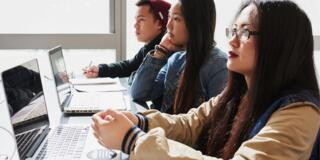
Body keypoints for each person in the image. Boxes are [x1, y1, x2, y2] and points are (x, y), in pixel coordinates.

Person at [92, 0, 320, 159]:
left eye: (245, 32)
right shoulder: (239, 92)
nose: (232, 41)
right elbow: (191, 124)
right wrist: (138, 121)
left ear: (279, 44)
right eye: (233, 31)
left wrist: (133, 140)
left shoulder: (300, 113)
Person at [130, 0, 227, 113]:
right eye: (169, 17)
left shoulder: (219, 65)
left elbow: (217, 120)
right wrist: (160, 51)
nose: (168, 26)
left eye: (176, 19)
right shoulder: (176, 60)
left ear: (195, 23)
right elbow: (138, 94)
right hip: (167, 128)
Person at [84, 0, 171, 81]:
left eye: (141, 20)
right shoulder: (150, 46)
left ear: (159, 23)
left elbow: (139, 81)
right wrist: (100, 70)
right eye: (136, 20)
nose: (135, 25)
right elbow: (129, 66)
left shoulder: (164, 51)